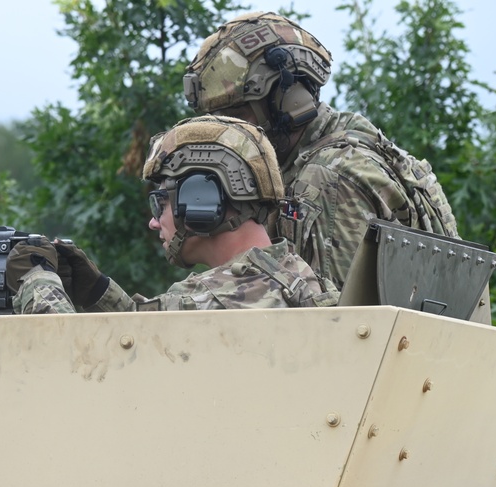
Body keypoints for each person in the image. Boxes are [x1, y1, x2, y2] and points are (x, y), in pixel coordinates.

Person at [183, 11, 460, 288]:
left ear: (287, 99)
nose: (229, 135)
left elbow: (332, 321)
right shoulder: (349, 144)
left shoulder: (328, 178)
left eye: (239, 116)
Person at [5, 115, 339, 314]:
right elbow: (150, 329)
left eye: (160, 203)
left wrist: (37, 282)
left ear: (202, 200)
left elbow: (76, 364)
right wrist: (99, 292)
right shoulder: (290, 274)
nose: (154, 221)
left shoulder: (216, 301)